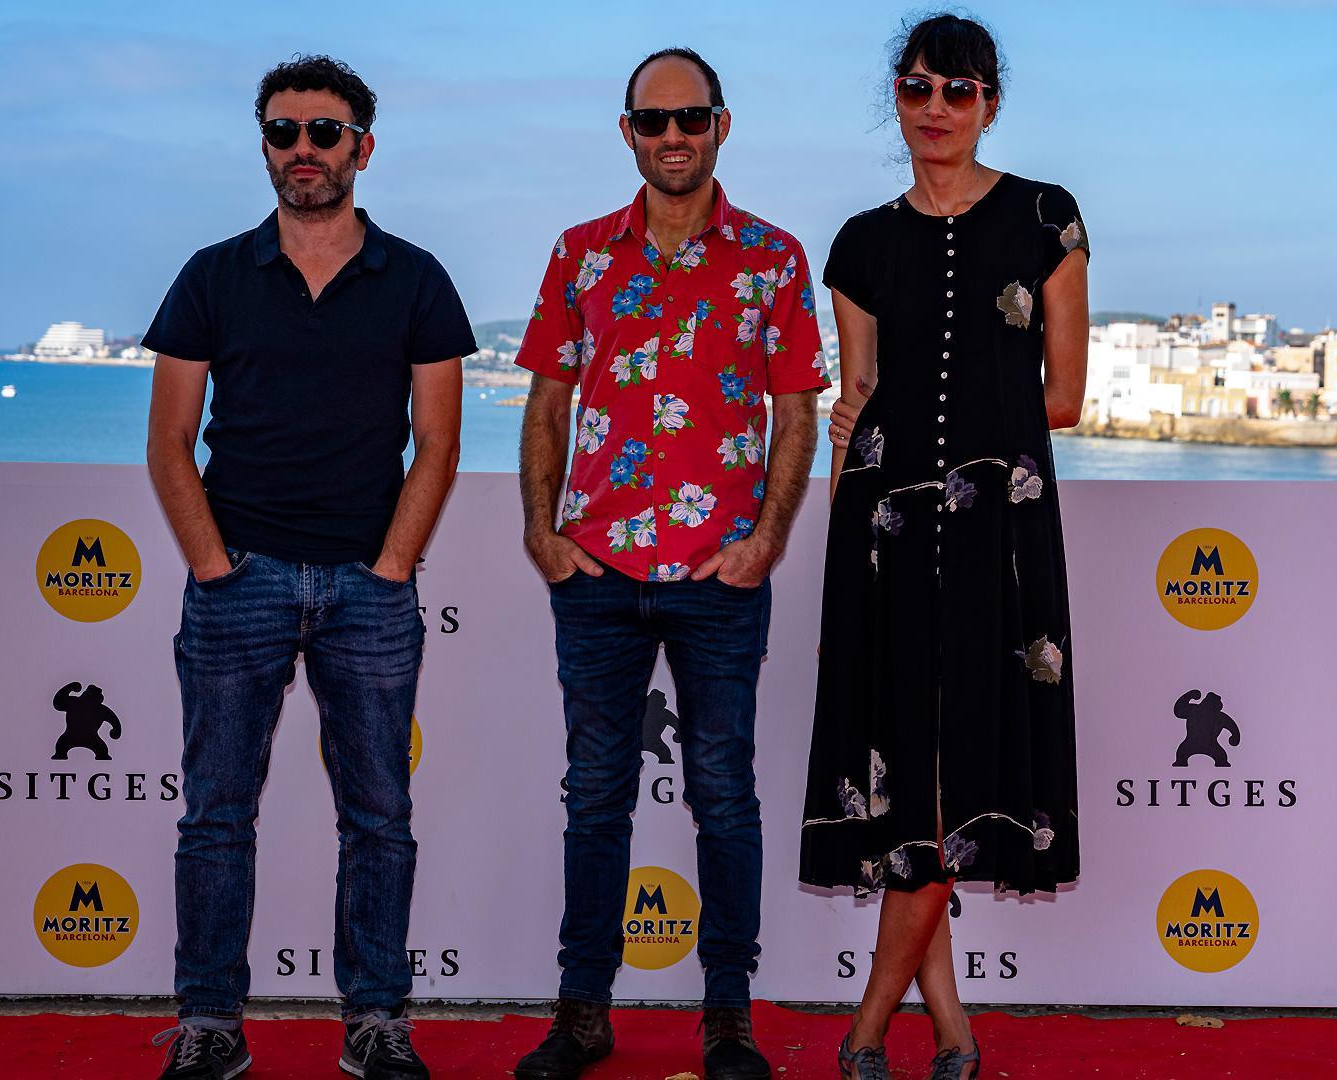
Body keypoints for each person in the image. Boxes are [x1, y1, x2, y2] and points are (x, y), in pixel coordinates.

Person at [142, 54, 472, 1080]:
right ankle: (211, 1024)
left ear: (361, 148)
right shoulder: (210, 275)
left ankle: (375, 1020)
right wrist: (214, 568)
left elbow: (440, 445)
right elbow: (170, 441)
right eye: (283, 133)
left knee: (380, 817)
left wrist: (390, 569)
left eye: (324, 133)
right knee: (215, 816)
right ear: (264, 148)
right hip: (241, 580)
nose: (303, 151)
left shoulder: (416, 278)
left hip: (367, 593)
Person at [510, 47, 829, 1080]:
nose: (673, 135)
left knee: (724, 795)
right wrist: (542, 532)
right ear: (628, 134)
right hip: (595, 571)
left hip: (719, 578)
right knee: (595, 795)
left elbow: (796, 412)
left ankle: (728, 1016)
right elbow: (548, 400)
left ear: (722, 124)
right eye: (653, 121)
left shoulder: (774, 258)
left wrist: (767, 540)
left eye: (691, 116)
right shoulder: (579, 254)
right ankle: (582, 1013)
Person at [798, 14, 1088, 1080]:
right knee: (912, 784)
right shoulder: (859, 243)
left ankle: (869, 1029)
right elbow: (857, 393)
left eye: (957, 91)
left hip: (1000, 532)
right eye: (917, 88)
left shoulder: (1047, 218)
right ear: (897, 97)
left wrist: (966, 431)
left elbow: (1064, 396)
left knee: (959, 772)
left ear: (990, 103)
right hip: (878, 533)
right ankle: (955, 1030)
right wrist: (846, 453)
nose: (935, 109)